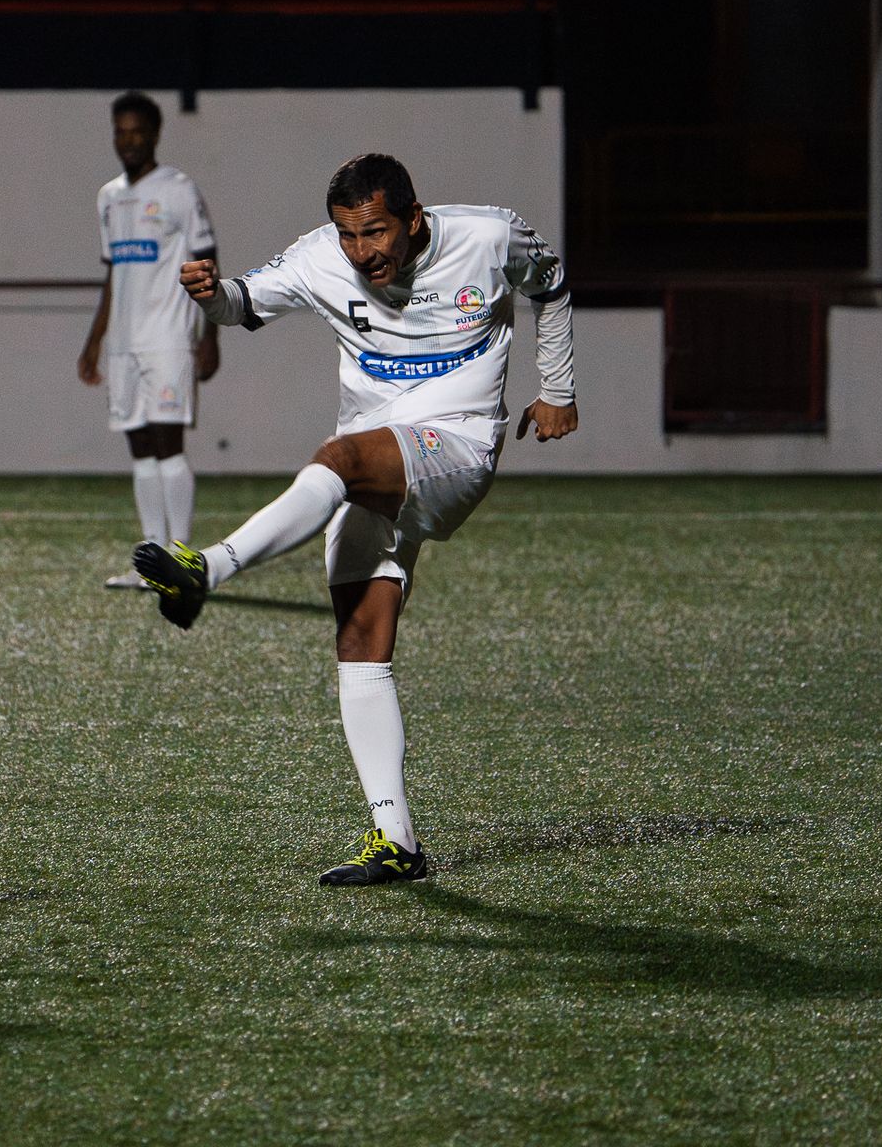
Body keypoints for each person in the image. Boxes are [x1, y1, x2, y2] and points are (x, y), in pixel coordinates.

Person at [134, 153, 577, 886]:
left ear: (412, 217)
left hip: (456, 445)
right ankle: (396, 839)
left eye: (375, 232)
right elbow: (243, 303)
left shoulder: (490, 236)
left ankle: (208, 566)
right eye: (348, 235)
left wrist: (557, 389)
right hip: (378, 464)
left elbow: (551, 287)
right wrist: (209, 298)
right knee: (361, 641)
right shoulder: (320, 257)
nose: (362, 251)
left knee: (338, 459)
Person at [78, 91, 220, 589]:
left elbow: (206, 261)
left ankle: (182, 561)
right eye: (121, 132)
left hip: (168, 337)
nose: (129, 141)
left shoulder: (179, 189)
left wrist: (211, 333)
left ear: (155, 134)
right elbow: (114, 273)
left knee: (168, 445)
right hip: (123, 343)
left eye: (138, 132)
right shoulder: (108, 196)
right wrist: (95, 339)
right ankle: (153, 563)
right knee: (139, 448)